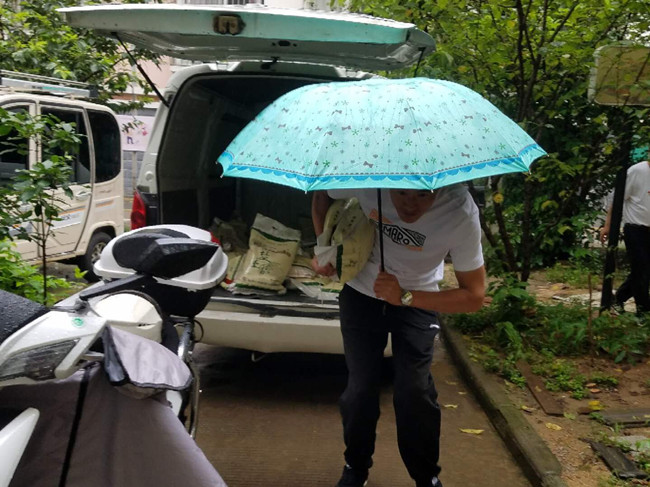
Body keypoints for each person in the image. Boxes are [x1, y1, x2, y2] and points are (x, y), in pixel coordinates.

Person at [311, 185, 486, 487]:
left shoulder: (459, 211)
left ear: (439, 188)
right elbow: (321, 195)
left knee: (413, 390)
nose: (410, 205)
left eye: (423, 195)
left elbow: (474, 296)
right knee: (360, 389)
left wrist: (405, 296)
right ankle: (356, 467)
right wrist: (323, 248)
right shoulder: (370, 182)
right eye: (402, 193)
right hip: (362, 293)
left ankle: (426, 476)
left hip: (418, 297)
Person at [600, 160, 650, 315]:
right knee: (642, 268)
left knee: (643, 270)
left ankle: (619, 298)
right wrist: (608, 225)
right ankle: (643, 311)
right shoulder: (637, 171)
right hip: (636, 228)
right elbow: (617, 198)